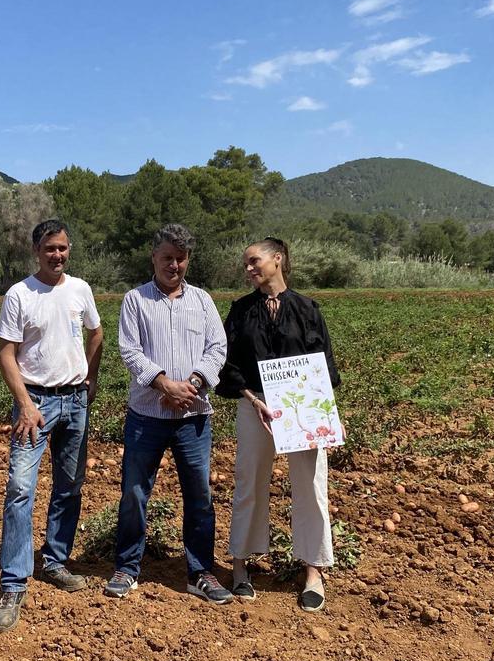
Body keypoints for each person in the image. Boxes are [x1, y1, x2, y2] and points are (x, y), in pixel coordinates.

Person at [105, 224, 231, 603]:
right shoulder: (135, 301)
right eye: (167, 258)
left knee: (199, 496)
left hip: (193, 417)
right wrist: (164, 384)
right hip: (147, 416)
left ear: (187, 260)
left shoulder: (203, 301)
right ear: (154, 258)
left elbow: (217, 349)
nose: (173, 265)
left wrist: (191, 384)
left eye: (180, 258)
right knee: (134, 493)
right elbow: (130, 351)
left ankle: (200, 572)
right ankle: (127, 568)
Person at [0, 219, 104, 633]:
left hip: (75, 400)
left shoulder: (80, 289)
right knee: (21, 488)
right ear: (37, 251)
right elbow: (6, 354)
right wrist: (24, 404)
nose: (58, 255)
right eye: (51, 248)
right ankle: (14, 583)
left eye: (64, 248)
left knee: (70, 484)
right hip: (35, 403)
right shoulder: (19, 294)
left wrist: (91, 380)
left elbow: (97, 333)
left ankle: (54, 562)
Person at [216, 237, 340, 612]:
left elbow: (324, 365)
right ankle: (240, 564)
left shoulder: (306, 309)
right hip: (256, 407)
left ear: (277, 260)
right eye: (246, 264)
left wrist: (327, 417)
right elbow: (228, 364)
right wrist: (254, 400)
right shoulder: (240, 311)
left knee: (311, 486)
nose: (249, 268)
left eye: (254, 261)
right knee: (249, 481)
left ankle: (313, 570)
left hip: (301, 410)